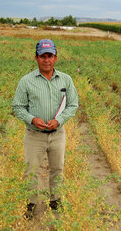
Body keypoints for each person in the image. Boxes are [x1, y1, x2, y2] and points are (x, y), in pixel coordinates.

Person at [12, 39, 79, 219]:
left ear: (55, 58)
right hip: (34, 135)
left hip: (57, 134)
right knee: (31, 170)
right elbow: (18, 107)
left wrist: (60, 120)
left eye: (50, 56)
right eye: (43, 56)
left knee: (57, 169)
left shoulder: (66, 79)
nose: (46, 60)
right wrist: (32, 119)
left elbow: (73, 105)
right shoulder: (26, 81)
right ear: (36, 58)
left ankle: (55, 200)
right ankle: (31, 203)